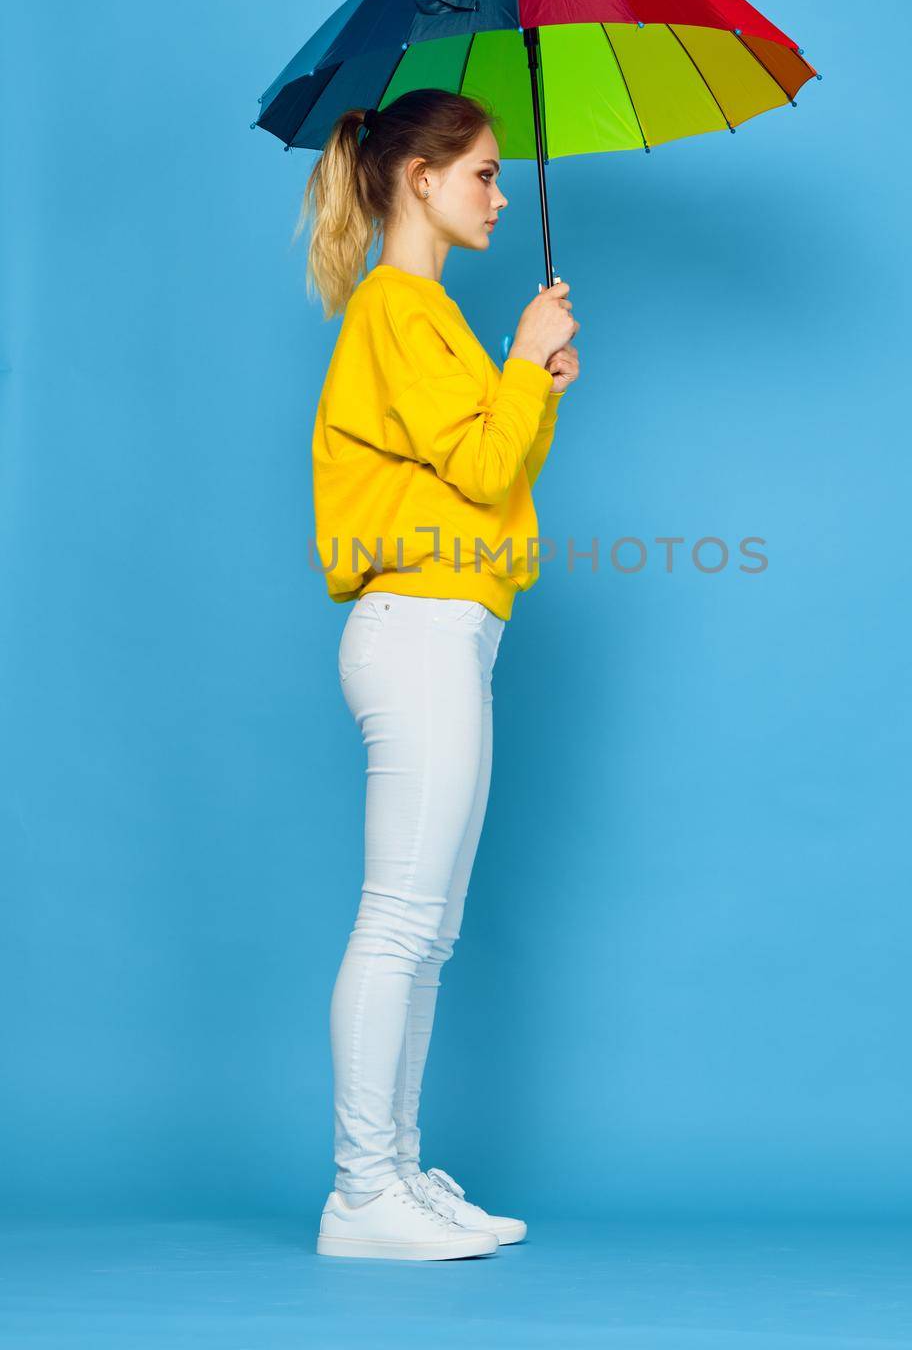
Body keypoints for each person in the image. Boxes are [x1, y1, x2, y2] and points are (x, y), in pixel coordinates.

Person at [297, 88, 581, 1261]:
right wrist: (520, 362)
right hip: (415, 625)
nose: (500, 195)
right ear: (417, 177)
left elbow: (493, 467)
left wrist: (533, 384)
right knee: (401, 920)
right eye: (481, 173)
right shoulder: (400, 308)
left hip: (448, 624)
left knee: (430, 927)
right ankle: (362, 1192)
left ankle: (397, 1175)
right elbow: (475, 466)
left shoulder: (429, 317)